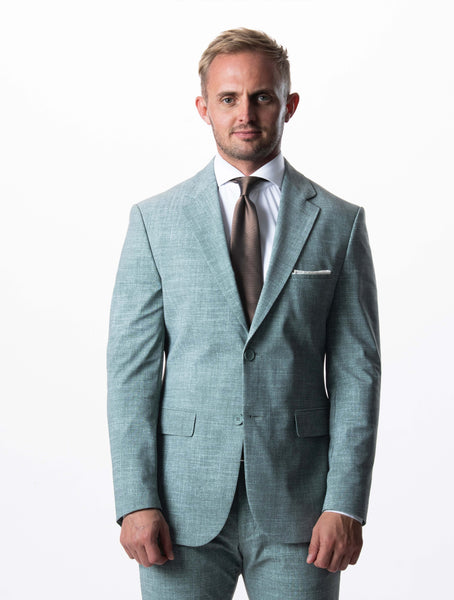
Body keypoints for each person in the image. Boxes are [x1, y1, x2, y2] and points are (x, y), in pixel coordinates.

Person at [107, 28, 380, 600]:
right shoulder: (156, 222)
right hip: (177, 510)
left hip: (303, 508)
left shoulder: (338, 222)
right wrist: (135, 500)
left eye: (262, 97)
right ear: (203, 107)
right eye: (228, 98)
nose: (245, 114)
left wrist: (345, 503)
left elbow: (357, 373)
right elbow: (131, 373)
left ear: (290, 105)